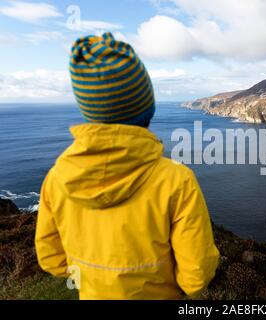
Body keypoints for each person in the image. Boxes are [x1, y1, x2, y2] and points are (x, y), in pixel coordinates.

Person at [35, 32, 220, 300]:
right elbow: (196, 274)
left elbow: (51, 259)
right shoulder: (176, 181)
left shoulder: (57, 178)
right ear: (148, 108)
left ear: (90, 112)